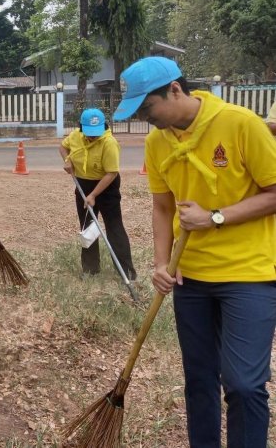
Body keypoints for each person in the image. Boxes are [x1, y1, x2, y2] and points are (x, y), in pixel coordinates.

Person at [113, 56, 276, 448]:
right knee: (199, 379)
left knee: (244, 384)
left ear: (174, 89)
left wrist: (215, 218)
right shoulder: (157, 140)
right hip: (190, 278)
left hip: (249, 273)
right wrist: (159, 263)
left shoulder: (240, 124)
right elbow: (163, 206)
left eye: (146, 107)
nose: (143, 117)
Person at [59, 108, 136, 280]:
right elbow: (63, 147)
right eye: (89, 132)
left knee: (114, 226)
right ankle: (90, 269)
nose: (93, 136)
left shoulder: (109, 143)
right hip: (83, 185)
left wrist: (93, 195)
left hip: (107, 186)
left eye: (96, 133)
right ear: (80, 127)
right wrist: (67, 160)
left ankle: (127, 272)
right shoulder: (75, 136)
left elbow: (111, 173)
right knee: (87, 227)